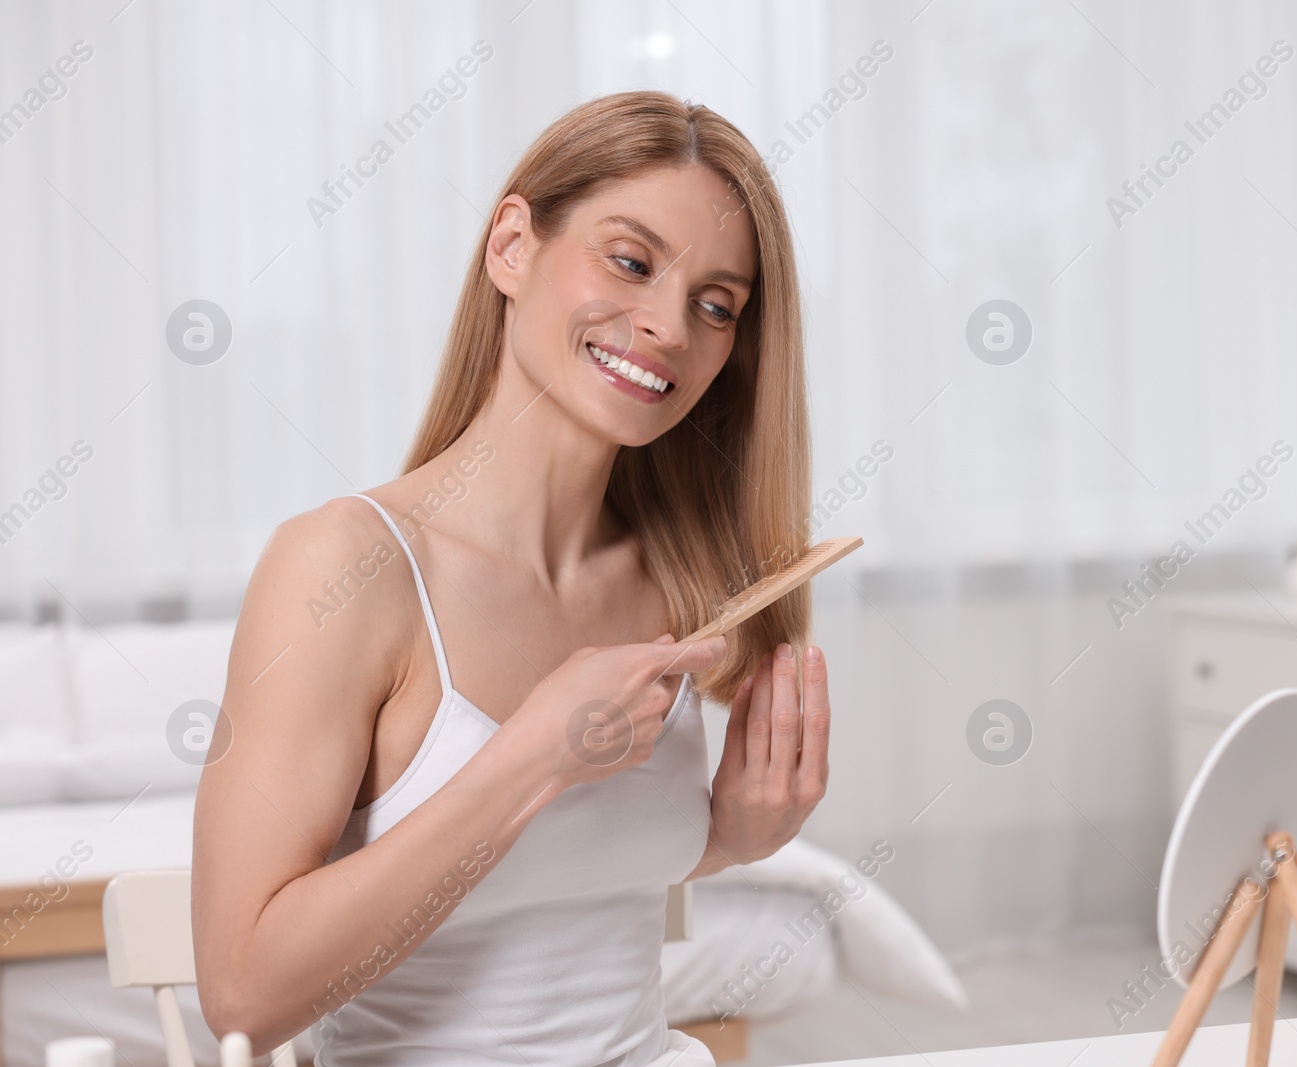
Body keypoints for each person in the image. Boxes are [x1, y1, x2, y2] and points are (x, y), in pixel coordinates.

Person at [192, 91, 830, 1067]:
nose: (666, 323)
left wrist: (728, 839)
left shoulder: (681, 583)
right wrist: (532, 756)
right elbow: (242, 993)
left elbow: (562, 887)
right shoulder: (348, 568)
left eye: (715, 305)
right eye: (629, 260)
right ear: (512, 247)